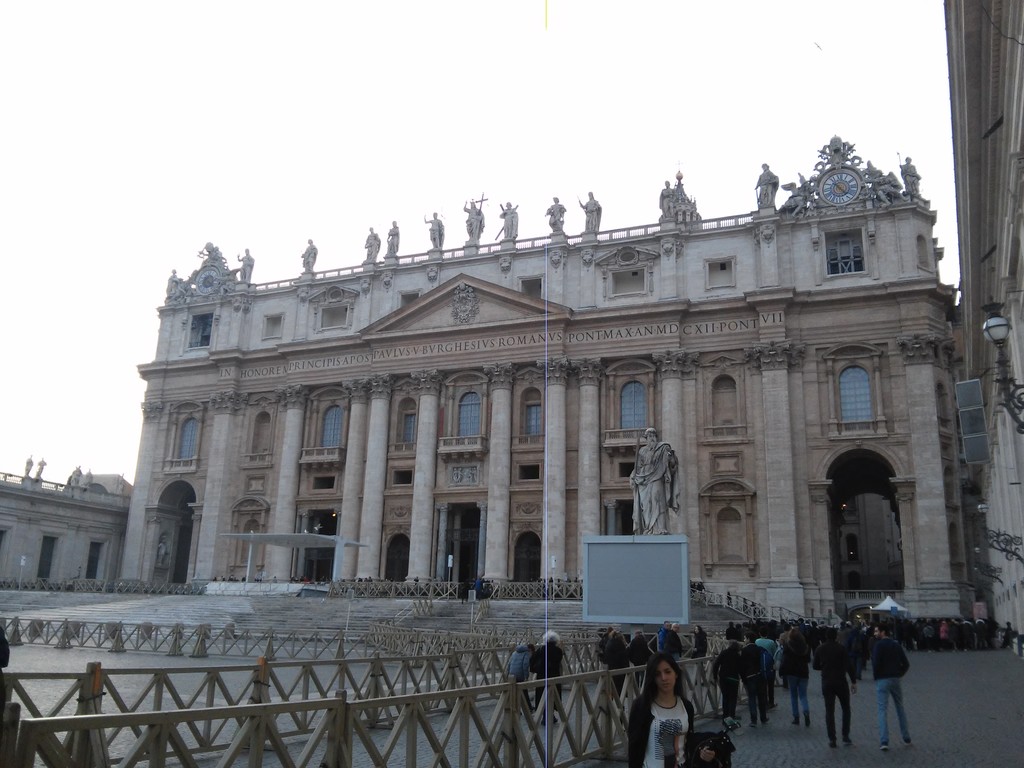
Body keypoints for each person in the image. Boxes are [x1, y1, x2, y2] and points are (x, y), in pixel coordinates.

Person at [626, 652, 717, 768]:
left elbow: (687, 744)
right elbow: (634, 749)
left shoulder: (687, 706)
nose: (664, 678)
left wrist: (703, 753)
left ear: (676, 674)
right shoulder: (641, 706)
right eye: (657, 674)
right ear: (652, 678)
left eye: (668, 672)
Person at [630, 428, 680, 535]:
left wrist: (671, 458)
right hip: (644, 480)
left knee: (658, 500)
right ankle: (648, 528)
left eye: (653, 435)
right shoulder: (642, 451)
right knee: (646, 505)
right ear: (646, 438)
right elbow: (638, 467)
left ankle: (660, 528)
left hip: (658, 477)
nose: (652, 438)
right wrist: (634, 476)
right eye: (649, 436)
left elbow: (671, 464)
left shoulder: (663, 448)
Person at [813, 626, 857, 748]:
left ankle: (832, 738)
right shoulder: (841, 648)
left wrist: (825, 666)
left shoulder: (820, 648)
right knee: (846, 709)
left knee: (829, 711)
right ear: (836, 636)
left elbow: (815, 666)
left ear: (826, 636)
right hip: (841, 681)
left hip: (827, 681)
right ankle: (845, 736)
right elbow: (849, 666)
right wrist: (853, 681)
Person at [872, 624, 911, 750]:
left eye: (877, 631)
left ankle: (884, 741)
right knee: (900, 707)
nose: (875, 633)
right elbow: (906, 664)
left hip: (882, 679)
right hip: (895, 679)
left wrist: (876, 676)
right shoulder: (896, 645)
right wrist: (899, 674)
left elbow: (876, 663)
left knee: (882, 710)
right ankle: (906, 737)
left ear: (883, 632)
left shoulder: (878, 645)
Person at [530, 630, 564, 723]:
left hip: (542, 676)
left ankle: (545, 716)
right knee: (553, 696)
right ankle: (549, 715)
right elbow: (558, 661)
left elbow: (532, 661)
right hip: (553, 676)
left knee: (542, 696)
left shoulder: (540, 649)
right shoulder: (558, 651)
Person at [780, 627, 810, 726]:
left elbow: (784, 659)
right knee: (803, 695)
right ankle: (806, 711)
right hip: (803, 672)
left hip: (792, 672)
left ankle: (796, 717)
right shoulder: (805, 646)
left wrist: (782, 671)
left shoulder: (787, 645)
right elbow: (808, 660)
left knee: (793, 695)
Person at [711, 639, 742, 729]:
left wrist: (715, 675)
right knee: (733, 698)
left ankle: (725, 717)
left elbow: (716, 664)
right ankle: (731, 717)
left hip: (724, 677)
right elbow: (741, 667)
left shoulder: (724, 653)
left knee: (725, 697)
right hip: (734, 678)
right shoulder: (737, 655)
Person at [740, 633, 769, 727]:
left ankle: (754, 720)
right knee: (761, 698)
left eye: (745, 638)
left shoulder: (744, 650)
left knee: (751, 698)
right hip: (760, 675)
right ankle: (763, 717)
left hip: (750, 676)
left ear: (748, 639)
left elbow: (742, 666)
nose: (744, 640)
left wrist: (743, 678)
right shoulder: (759, 649)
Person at [507, 641, 534, 711]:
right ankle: (528, 708)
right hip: (520, 674)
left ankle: (515, 708)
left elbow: (509, 663)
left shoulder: (514, 653)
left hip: (512, 674)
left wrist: (508, 673)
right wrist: (526, 676)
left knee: (514, 692)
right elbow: (525, 665)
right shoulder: (526, 653)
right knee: (524, 691)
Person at [604, 629, 630, 698]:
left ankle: (611, 705)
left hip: (610, 668)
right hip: (618, 670)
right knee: (619, 688)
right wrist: (627, 669)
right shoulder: (620, 645)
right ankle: (619, 705)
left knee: (611, 688)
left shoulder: (609, 643)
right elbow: (623, 658)